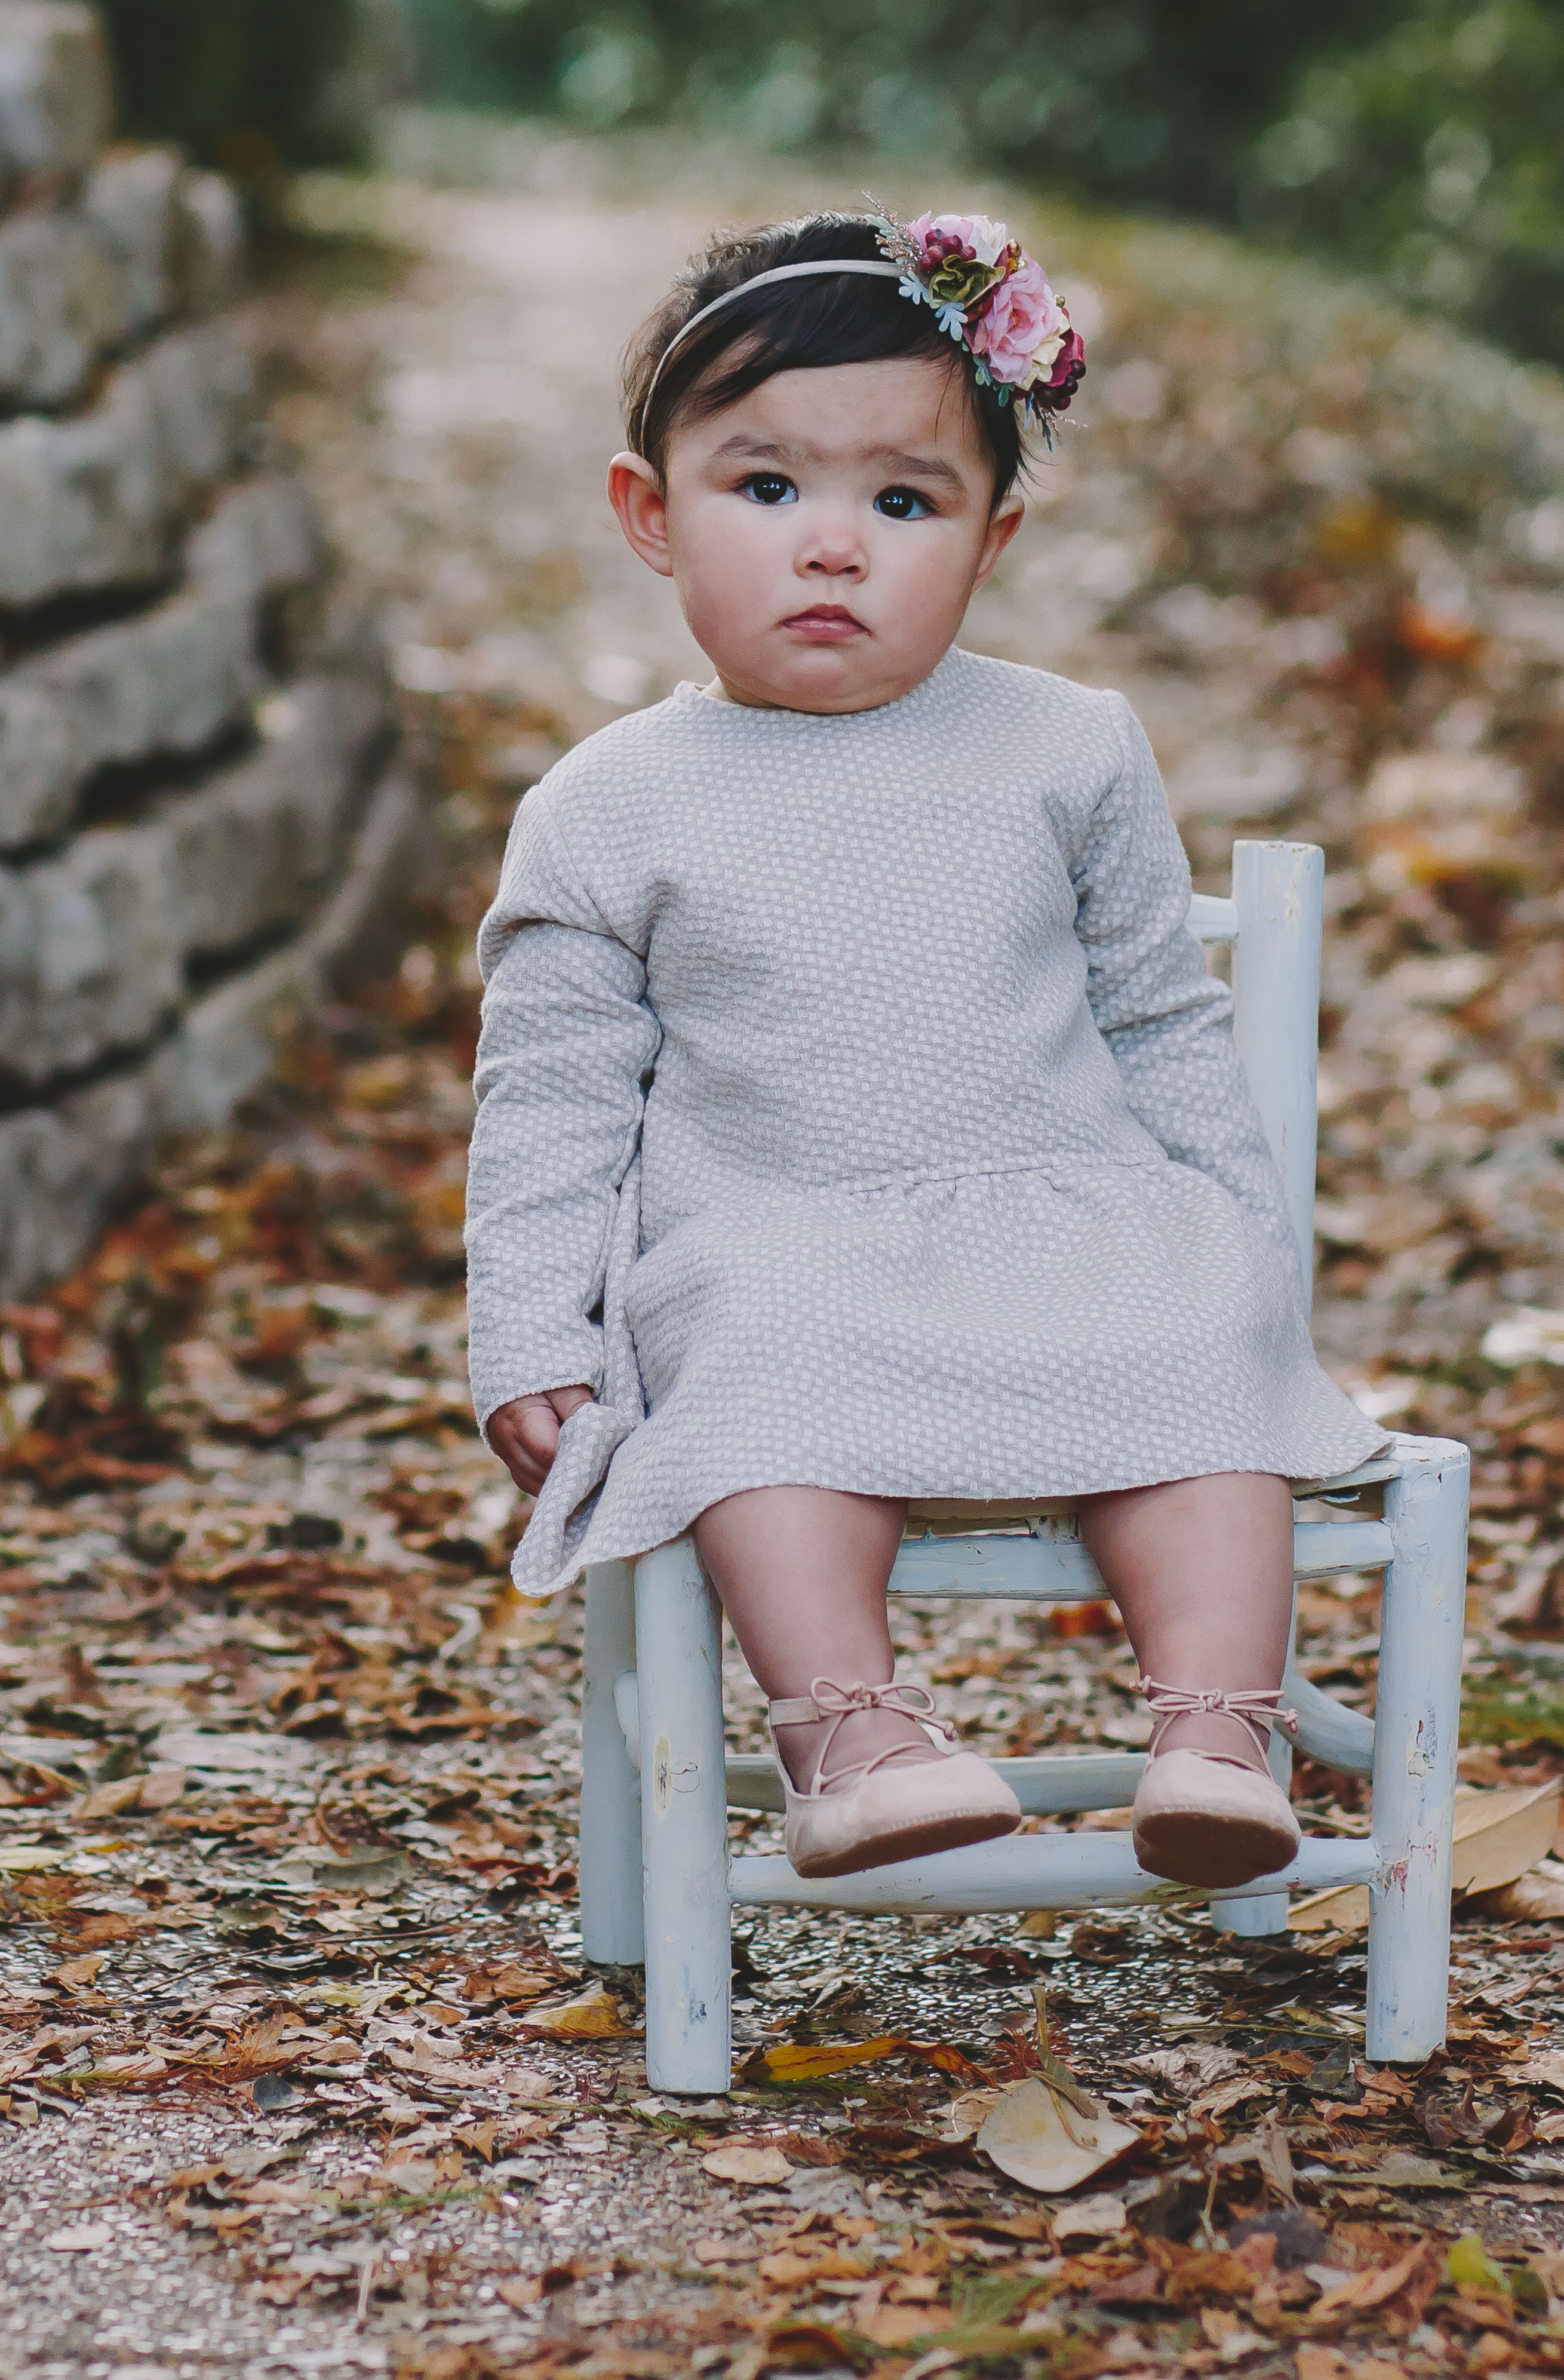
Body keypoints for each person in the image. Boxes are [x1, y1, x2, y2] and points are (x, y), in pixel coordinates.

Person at [466, 210, 1387, 1886]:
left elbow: (1158, 1015)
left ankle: (1216, 1733)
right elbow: (551, 1097)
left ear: (989, 541)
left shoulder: (1067, 747)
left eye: (904, 503)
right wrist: (529, 1328)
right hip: (781, 1241)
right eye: (766, 488)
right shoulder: (608, 807)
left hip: (1062, 1219)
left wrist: (1244, 1240)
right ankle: (852, 1738)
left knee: (1196, 1313)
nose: (834, 547)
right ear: (650, 514)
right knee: (741, 1363)